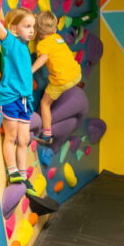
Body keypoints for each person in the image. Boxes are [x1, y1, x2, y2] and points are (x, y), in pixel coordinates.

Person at [0, 5, 37, 194]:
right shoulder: (10, 42)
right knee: (12, 136)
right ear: (14, 29)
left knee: (24, 139)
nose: (32, 30)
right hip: (9, 97)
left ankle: (23, 176)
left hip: (25, 100)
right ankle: (12, 171)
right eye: (27, 26)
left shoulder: (25, 47)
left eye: (33, 26)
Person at [31, 9, 81, 145]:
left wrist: (31, 70)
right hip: (76, 74)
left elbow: (43, 58)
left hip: (62, 80)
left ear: (38, 32)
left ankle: (47, 134)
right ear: (54, 29)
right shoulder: (58, 38)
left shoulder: (43, 44)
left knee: (45, 103)